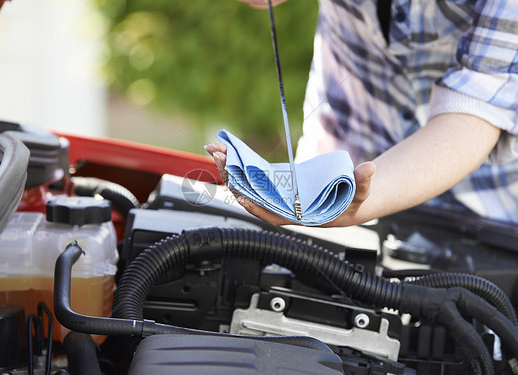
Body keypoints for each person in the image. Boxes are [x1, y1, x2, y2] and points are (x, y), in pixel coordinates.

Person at [205, 0, 518, 227]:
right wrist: (324, 199)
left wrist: (344, 205)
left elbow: (477, 110)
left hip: (487, 219)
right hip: (332, 166)